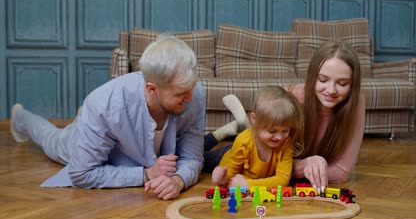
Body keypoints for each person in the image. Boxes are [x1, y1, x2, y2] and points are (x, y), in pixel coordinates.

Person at [10, 35, 206, 200]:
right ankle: (20, 117)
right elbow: (81, 174)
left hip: (106, 121)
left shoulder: (193, 94)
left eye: (190, 89)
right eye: (181, 94)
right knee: (51, 138)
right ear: (152, 89)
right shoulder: (104, 105)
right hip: (92, 126)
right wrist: (146, 174)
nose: (190, 98)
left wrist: (177, 181)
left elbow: (193, 157)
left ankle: (89, 125)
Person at [204, 40, 365, 195]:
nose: (331, 90)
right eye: (323, 80)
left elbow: (341, 173)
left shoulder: (355, 103)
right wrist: (306, 165)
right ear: (312, 77)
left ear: (352, 85)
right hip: (251, 152)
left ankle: (235, 127)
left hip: (270, 163)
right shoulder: (293, 99)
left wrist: (303, 166)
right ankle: (223, 133)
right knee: (196, 157)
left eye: (342, 83)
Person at [209, 86, 304, 190]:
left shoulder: (286, 143)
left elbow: (282, 179)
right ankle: (217, 135)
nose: (279, 137)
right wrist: (223, 179)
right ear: (254, 119)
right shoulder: (243, 141)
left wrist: (248, 185)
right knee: (201, 158)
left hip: (249, 181)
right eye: (272, 131)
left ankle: (237, 124)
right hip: (227, 154)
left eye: (285, 131)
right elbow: (231, 174)